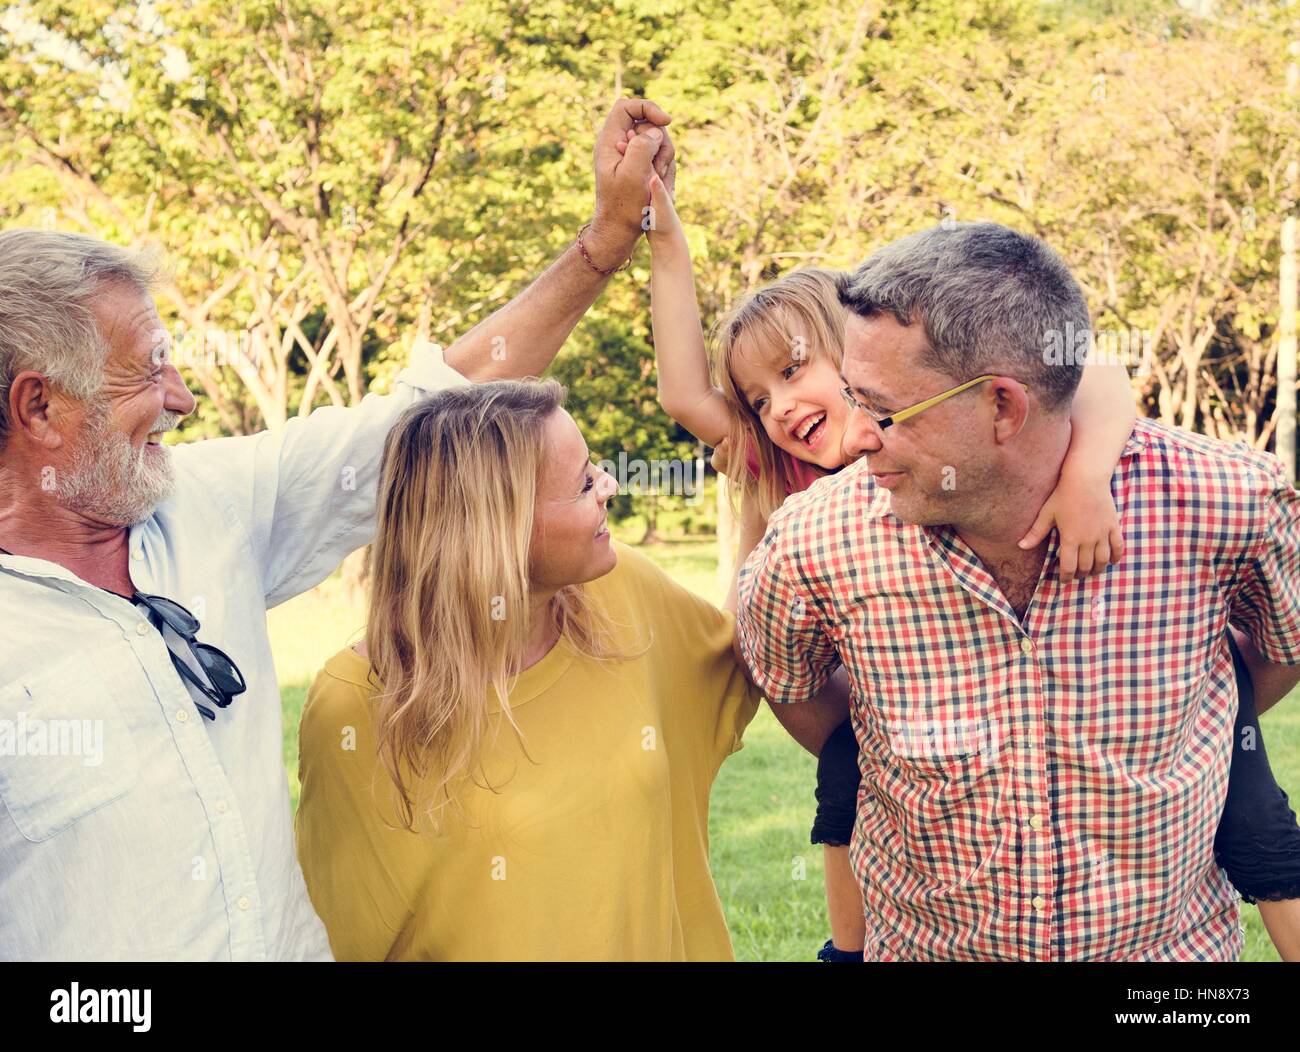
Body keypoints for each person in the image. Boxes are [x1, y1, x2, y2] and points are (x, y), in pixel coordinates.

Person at [0, 97, 677, 961]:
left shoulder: (209, 504)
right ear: (40, 406)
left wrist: (606, 240)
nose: (182, 400)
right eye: (148, 371)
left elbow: (437, 404)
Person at [736, 220, 1300, 960]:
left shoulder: (1228, 501)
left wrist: (1178, 714)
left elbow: (1285, 643)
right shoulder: (813, 544)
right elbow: (790, 680)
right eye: (852, 397)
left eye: (883, 409)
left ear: (1003, 406)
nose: (859, 436)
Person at [642, 173, 1125, 960]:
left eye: (794, 371)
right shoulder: (775, 467)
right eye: (759, 398)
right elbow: (680, 390)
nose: (780, 406)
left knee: (1251, 820)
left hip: (988, 689)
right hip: (858, 699)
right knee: (847, 781)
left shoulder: (941, 431)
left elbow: (1093, 375)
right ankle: (851, 949)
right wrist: (665, 239)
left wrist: (1085, 477)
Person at [294, 380, 849, 960]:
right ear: (496, 530)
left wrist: (764, 497)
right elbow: (346, 938)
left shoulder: (621, 589)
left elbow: (739, 655)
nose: (609, 486)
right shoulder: (355, 707)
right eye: (584, 482)